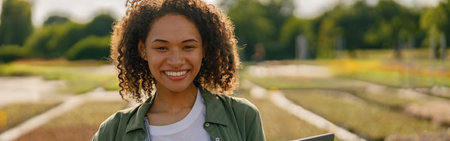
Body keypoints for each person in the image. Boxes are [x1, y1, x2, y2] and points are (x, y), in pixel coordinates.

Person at [92, 0, 265, 141]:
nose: (176, 61)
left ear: (204, 49)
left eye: (188, 47)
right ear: (143, 50)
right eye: (161, 48)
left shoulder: (242, 117)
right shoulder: (113, 132)